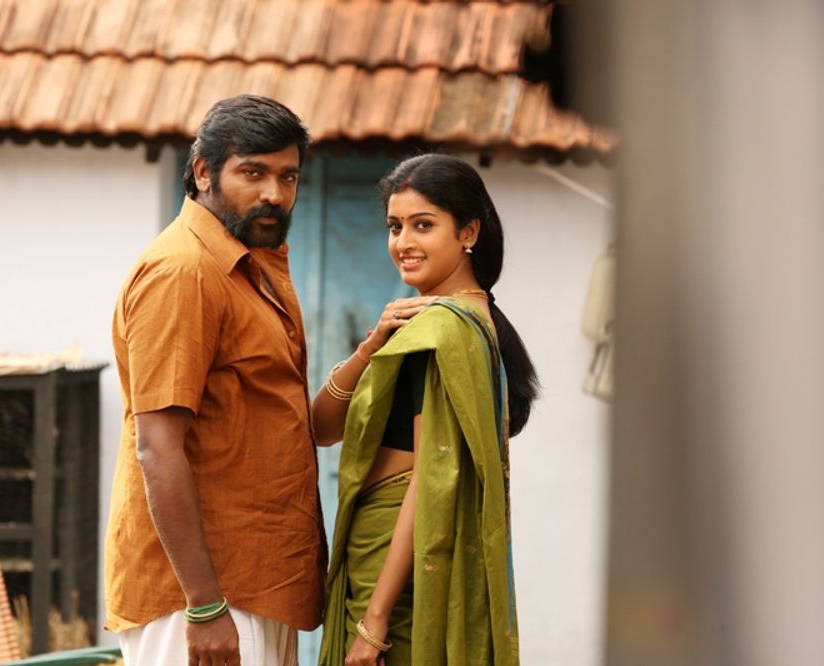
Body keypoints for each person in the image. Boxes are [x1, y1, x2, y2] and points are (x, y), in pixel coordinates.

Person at [104, 94, 326, 666]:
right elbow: (157, 448)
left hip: (253, 583)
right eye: (253, 173)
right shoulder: (184, 271)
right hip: (202, 598)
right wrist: (204, 605)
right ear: (204, 172)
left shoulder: (246, 267)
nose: (274, 193)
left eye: (288, 176)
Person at [315, 154, 539, 665]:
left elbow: (429, 479)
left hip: (394, 570)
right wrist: (369, 348)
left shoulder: (441, 331)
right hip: (392, 558)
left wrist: (374, 621)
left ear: (468, 232)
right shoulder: (462, 322)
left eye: (423, 225)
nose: (403, 243)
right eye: (395, 227)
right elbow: (321, 427)